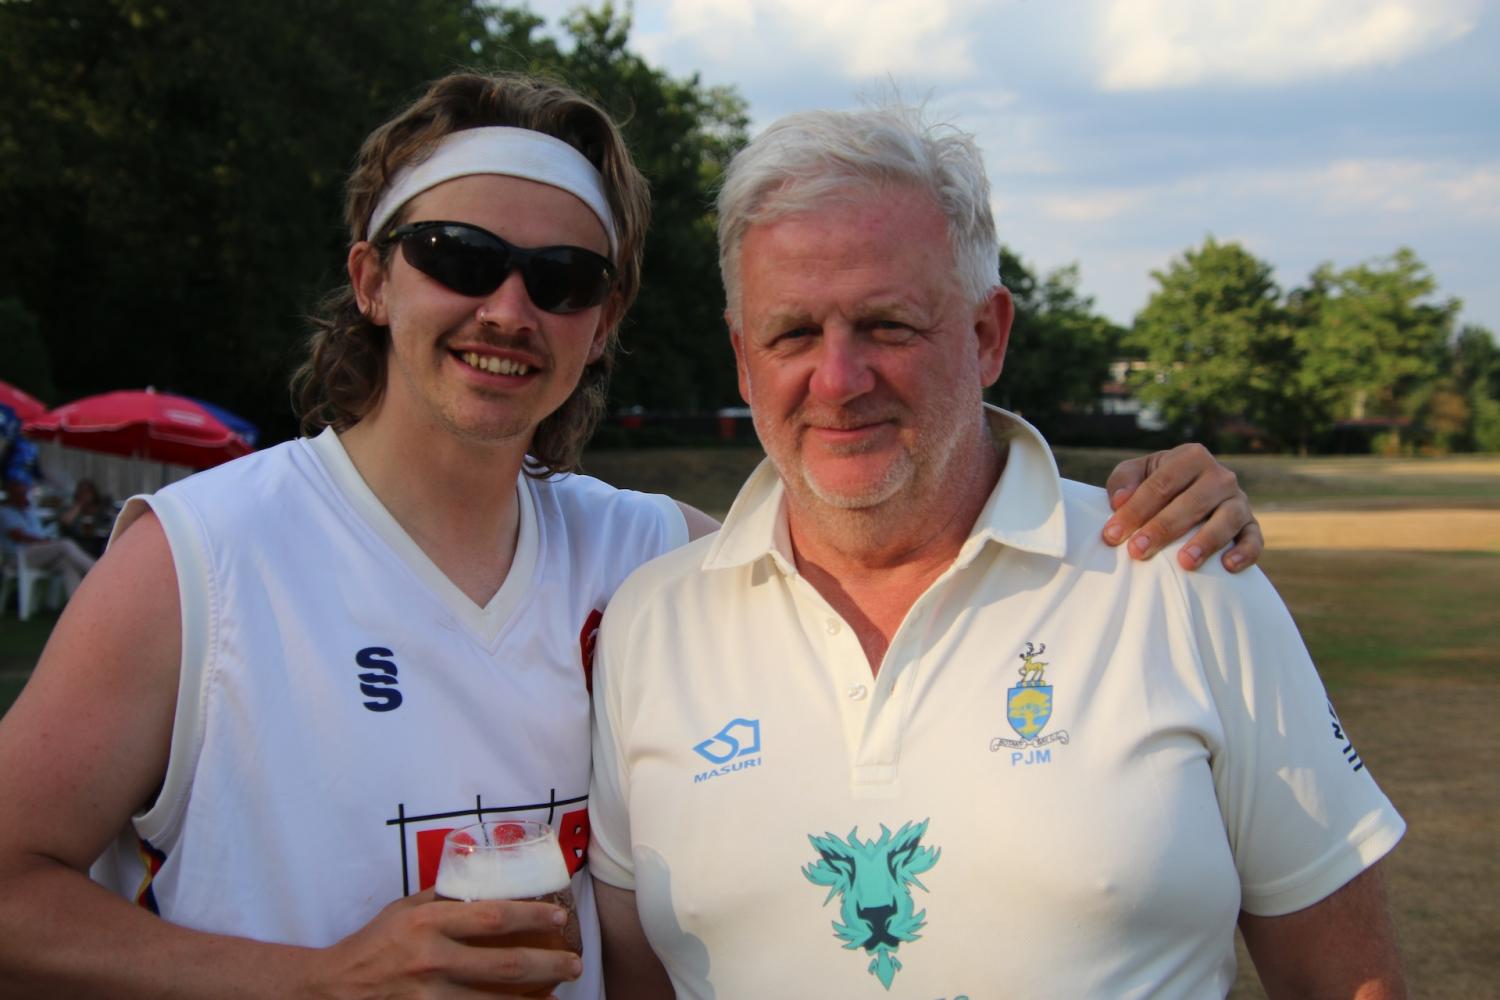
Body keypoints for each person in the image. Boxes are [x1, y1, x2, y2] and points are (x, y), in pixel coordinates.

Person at [0, 73, 1259, 998]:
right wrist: (314, 978)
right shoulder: (203, 557)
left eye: (565, 278)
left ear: (604, 323)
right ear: (374, 279)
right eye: (459, 255)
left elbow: (903, 516)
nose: (509, 307)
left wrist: (1143, 507)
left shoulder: (661, 558)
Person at [587, 105, 1407, 999]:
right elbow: (639, 981)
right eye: (792, 334)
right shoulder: (650, 624)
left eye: (888, 325)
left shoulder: (1181, 578)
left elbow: (1350, 983)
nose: (837, 379)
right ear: (745, 361)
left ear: (987, 335)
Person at [1, 476, 97, 601]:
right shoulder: (4, 512)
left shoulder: (29, 511)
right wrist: (45, 542)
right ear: (11, 495)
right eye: (20, 494)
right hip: (20, 556)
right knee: (65, 544)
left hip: (38, 552)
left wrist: (45, 540)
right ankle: (99, 571)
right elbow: (17, 536)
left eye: (25, 493)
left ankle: (79, 603)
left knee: (66, 563)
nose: (24, 496)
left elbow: (39, 533)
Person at [56, 478, 115, 559]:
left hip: (97, 545)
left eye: (87, 492)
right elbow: (65, 521)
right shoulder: (70, 508)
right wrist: (79, 505)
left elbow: (110, 523)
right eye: (82, 492)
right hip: (77, 545)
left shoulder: (100, 509)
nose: (85, 495)